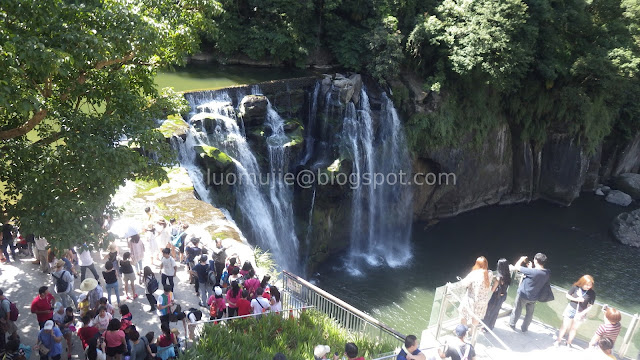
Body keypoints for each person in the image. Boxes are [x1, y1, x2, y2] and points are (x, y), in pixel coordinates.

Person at [508, 253, 550, 333]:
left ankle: (512, 324)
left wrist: (521, 259)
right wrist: (530, 268)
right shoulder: (547, 272)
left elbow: (517, 266)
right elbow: (535, 275)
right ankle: (524, 328)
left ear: (536, 261)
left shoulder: (532, 272)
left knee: (517, 310)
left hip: (523, 295)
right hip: (534, 297)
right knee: (529, 314)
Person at [453, 256, 492, 336]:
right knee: (476, 318)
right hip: (483, 302)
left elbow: (463, 284)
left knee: (463, 314)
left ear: (477, 264)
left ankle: (463, 333)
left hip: (471, 300)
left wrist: (451, 286)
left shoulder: (474, 273)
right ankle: (472, 332)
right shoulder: (490, 274)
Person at [554, 274, 596, 347]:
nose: (589, 287)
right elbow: (567, 295)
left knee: (574, 328)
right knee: (564, 326)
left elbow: (590, 306)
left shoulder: (592, 293)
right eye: (587, 285)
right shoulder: (575, 288)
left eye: (590, 285)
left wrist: (582, 313)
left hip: (581, 312)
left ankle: (569, 342)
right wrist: (576, 299)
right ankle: (558, 340)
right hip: (571, 309)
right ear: (582, 283)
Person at [481, 258, 511, 330]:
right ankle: (491, 326)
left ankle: (485, 327)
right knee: (496, 311)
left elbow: (493, 289)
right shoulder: (508, 275)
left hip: (496, 296)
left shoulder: (499, 277)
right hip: (503, 296)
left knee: (489, 310)